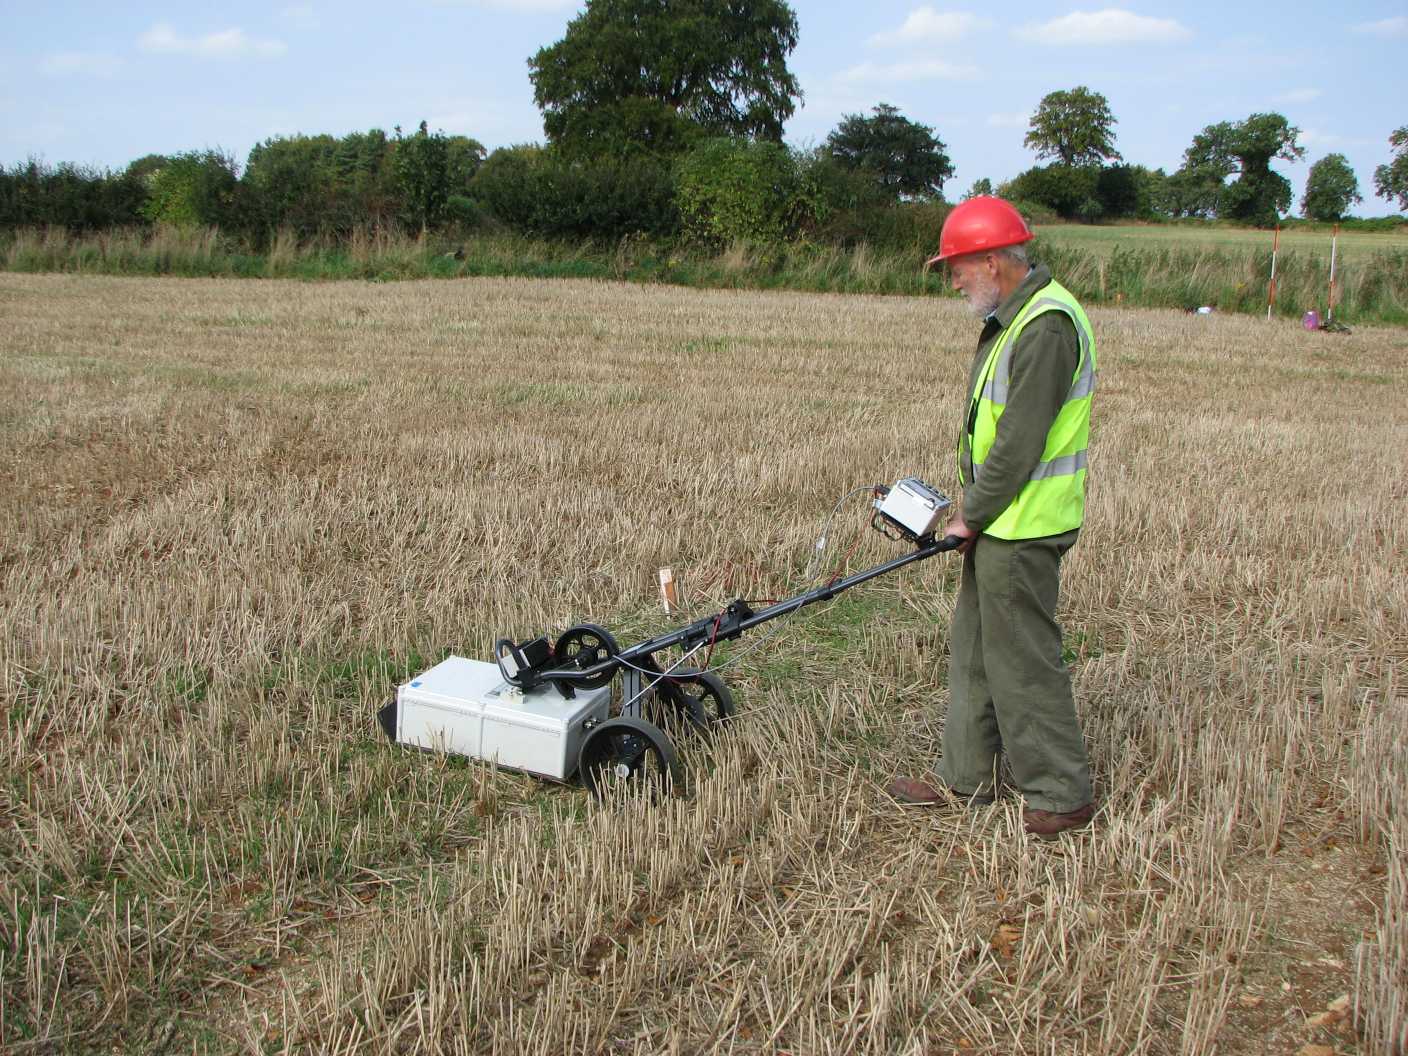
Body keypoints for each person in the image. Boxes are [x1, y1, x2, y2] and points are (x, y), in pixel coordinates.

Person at [887, 196, 1097, 839]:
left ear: (991, 260)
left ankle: (1061, 792)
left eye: (956, 268)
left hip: (1025, 521)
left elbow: (1019, 442)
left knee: (1024, 661)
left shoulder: (1046, 325)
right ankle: (965, 776)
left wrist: (969, 516)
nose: (952, 281)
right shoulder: (1015, 318)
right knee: (977, 651)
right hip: (1003, 519)